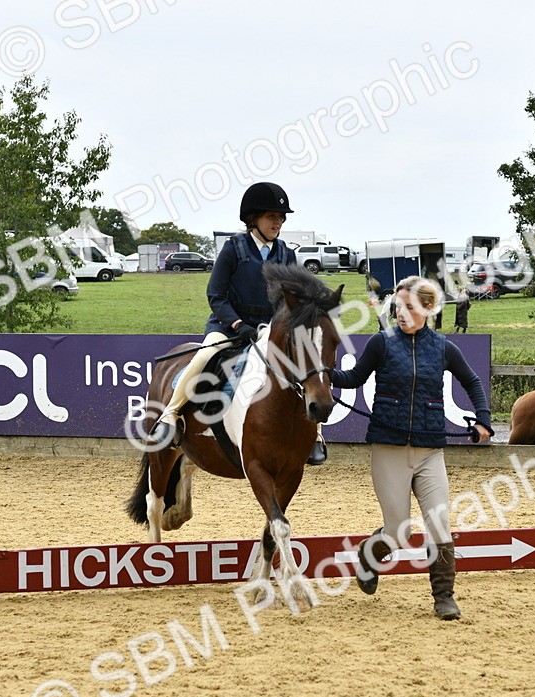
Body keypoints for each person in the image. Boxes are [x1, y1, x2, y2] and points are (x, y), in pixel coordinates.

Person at [331, 276, 493, 621]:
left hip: (430, 450)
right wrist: (320, 374)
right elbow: (354, 378)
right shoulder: (382, 343)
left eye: (408, 307)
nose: (401, 313)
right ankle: (369, 556)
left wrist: (484, 420)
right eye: (397, 307)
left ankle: (444, 598)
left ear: (429, 308)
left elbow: (472, 381)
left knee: (440, 523)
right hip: (389, 448)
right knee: (399, 530)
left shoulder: (444, 347)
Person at [147, 182, 328, 465]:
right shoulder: (234, 249)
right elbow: (215, 295)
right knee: (205, 354)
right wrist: (236, 324)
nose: (277, 222)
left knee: (303, 364)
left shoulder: (287, 254)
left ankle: (315, 433)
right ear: (253, 218)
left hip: (270, 329)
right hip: (228, 326)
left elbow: (296, 301)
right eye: (272, 217)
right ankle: (171, 414)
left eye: (281, 218)